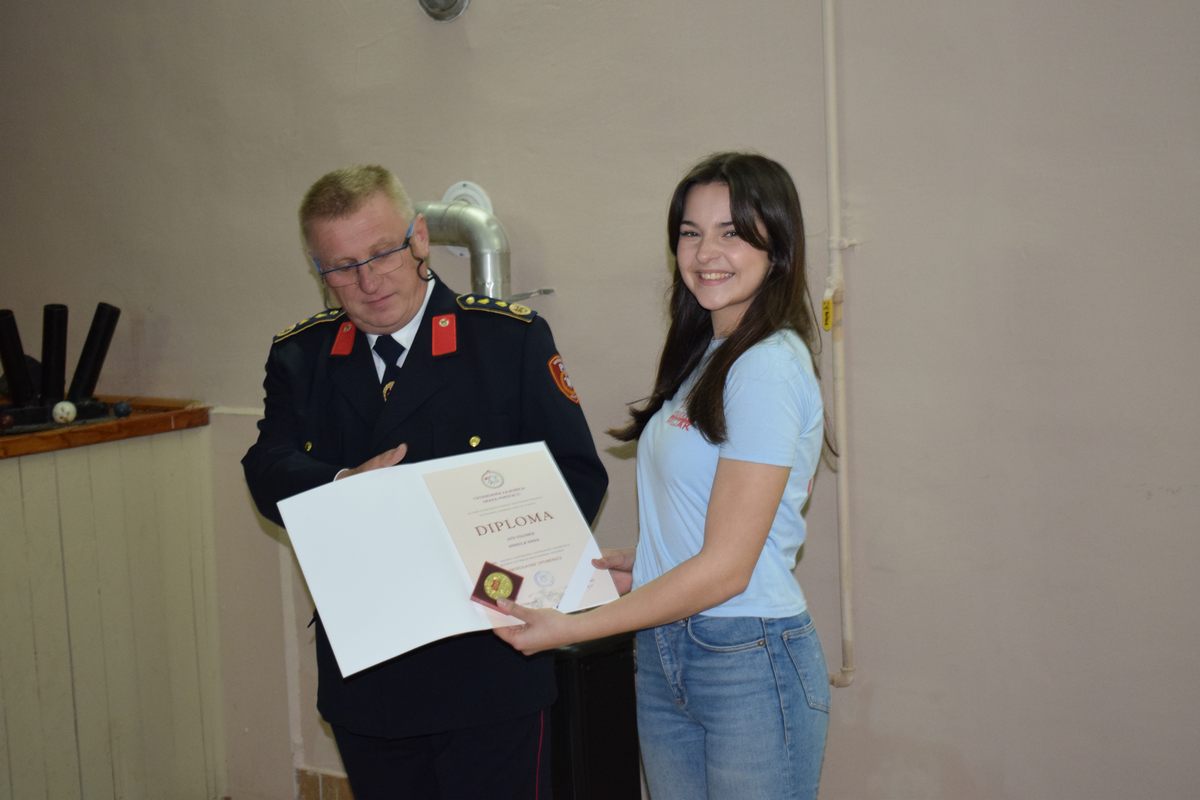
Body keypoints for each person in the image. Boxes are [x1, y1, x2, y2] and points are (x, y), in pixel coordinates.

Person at [242, 164, 608, 799]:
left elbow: (575, 475)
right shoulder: (302, 356)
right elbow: (267, 467)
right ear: (318, 271)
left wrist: (500, 580)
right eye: (342, 267)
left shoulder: (506, 341)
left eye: (382, 253)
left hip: (490, 662)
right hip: (371, 675)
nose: (368, 281)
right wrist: (342, 483)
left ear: (418, 238)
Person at [495, 152, 830, 799]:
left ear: (778, 247)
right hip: (670, 647)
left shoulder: (767, 366)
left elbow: (727, 569)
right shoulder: (707, 352)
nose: (706, 253)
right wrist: (651, 558)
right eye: (690, 232)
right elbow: (712, 523)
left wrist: (572, 627)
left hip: (746, 655)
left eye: (732, 232)